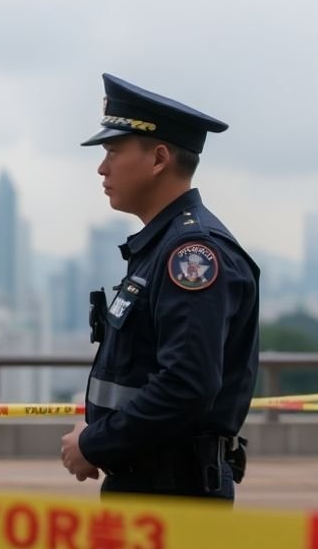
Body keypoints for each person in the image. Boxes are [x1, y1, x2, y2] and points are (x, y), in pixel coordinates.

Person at [60, 73, 260, 501]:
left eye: (113, 150)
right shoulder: (161, 247)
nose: (102, 166)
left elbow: (186, 384)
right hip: (147, 480)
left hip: (174, 491)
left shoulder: (191, 255)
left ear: (158, 159)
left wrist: (94, 443)